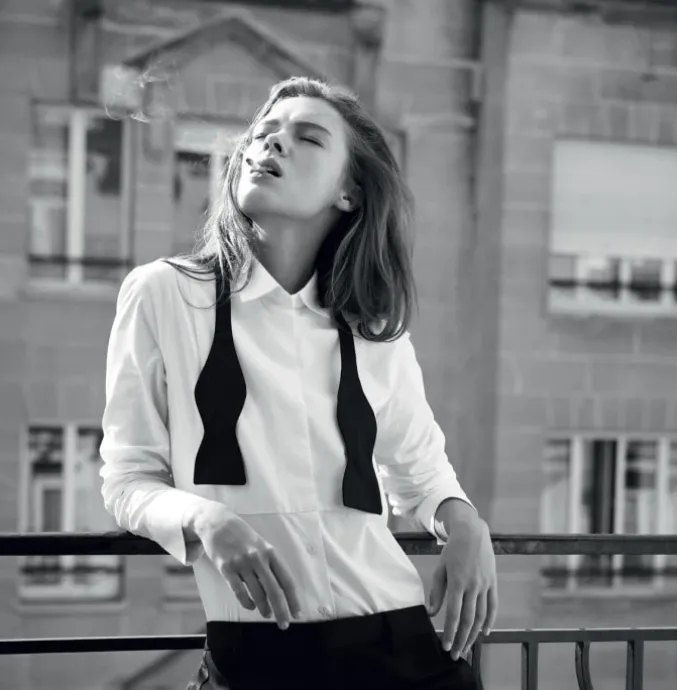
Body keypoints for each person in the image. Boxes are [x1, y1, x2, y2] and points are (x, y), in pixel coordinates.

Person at [100, 76, 498, 690]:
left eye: (307, 138)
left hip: (400, 647)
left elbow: (420, 473)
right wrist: (206, 520)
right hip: (258, 658)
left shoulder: (370, 326)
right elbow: (127, 481)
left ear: (349, 191)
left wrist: (463, 522)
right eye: (262, 134)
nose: (271, 145)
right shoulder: (164, 295)